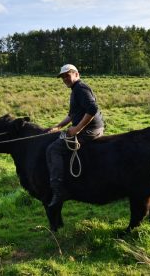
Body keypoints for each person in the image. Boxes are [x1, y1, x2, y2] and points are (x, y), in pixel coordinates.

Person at [46, 64, 104, 207]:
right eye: (63, 77)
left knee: (54, 149)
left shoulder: (80, 88)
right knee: (58, 140)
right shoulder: (75, 90)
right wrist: (58, 126)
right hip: (88, 128)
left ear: (77, 74)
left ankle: (59, 191)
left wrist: (77, 128)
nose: (65, 78)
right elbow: (72, 115)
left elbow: (92, 108)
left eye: (67, 75)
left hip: (91, 129)